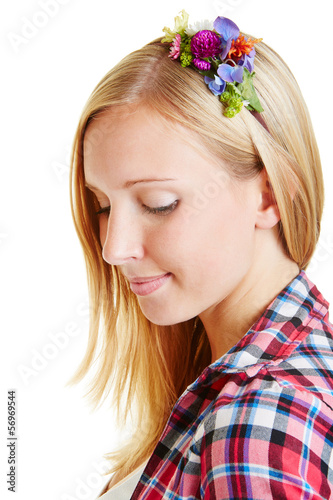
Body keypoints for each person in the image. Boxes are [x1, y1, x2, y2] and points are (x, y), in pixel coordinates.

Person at [69, 10, 333, 499]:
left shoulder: (259, 419)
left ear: (270, 196)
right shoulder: (277, 368)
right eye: (103, 205)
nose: (113, 249)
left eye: (158, 204)